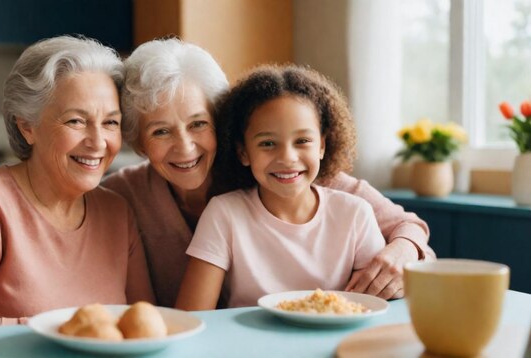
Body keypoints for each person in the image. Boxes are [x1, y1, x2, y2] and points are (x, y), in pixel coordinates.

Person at [102, 39, 434, 308]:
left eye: (198, 124)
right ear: (138, 142)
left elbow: (409, 228)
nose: (185, 147)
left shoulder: (289, 174)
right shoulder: (122, 194)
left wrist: (402, 251)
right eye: (161, 132)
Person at [0, 35, 154, 329]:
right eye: (76, 121)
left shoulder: (117, 213)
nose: (98, 142)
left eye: (110, 122)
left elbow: (145, 323)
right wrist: (70, 331)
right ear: (27, 127)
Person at [177, 64, 387, 309]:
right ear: (243, 152)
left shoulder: (355, 214)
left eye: (302, 141)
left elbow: (374, 308)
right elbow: (193, 314)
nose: (287, 158)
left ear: (322, 146)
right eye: (267, 143)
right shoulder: (224, 213)